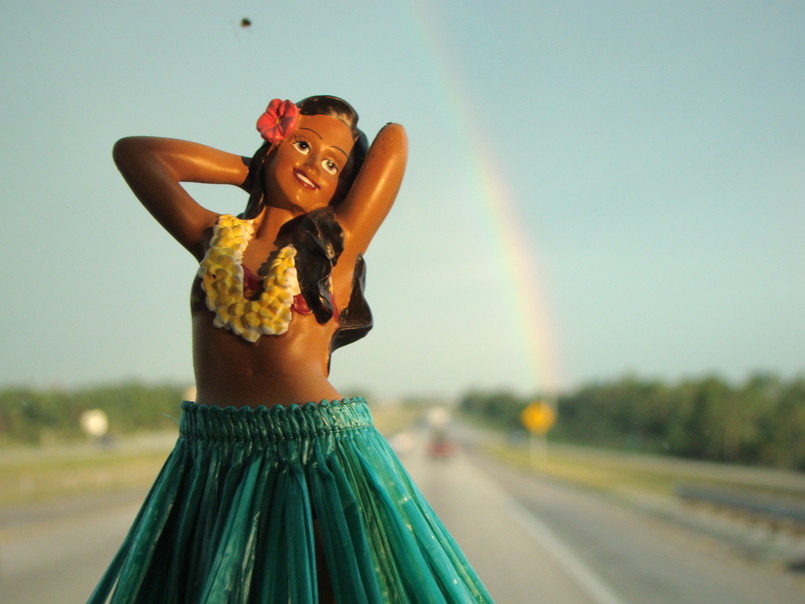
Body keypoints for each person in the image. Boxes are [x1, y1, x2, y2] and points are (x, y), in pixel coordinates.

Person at [88, 96, 493, 603]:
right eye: (302, 145)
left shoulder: (336, 247)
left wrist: (314, 154)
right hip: (211, 454)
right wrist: (251, 169)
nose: (311, 165)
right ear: (274, 144)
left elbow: (396, 142)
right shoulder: (213, 237)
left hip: (316, 450)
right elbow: (136, 154)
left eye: (331, 165)